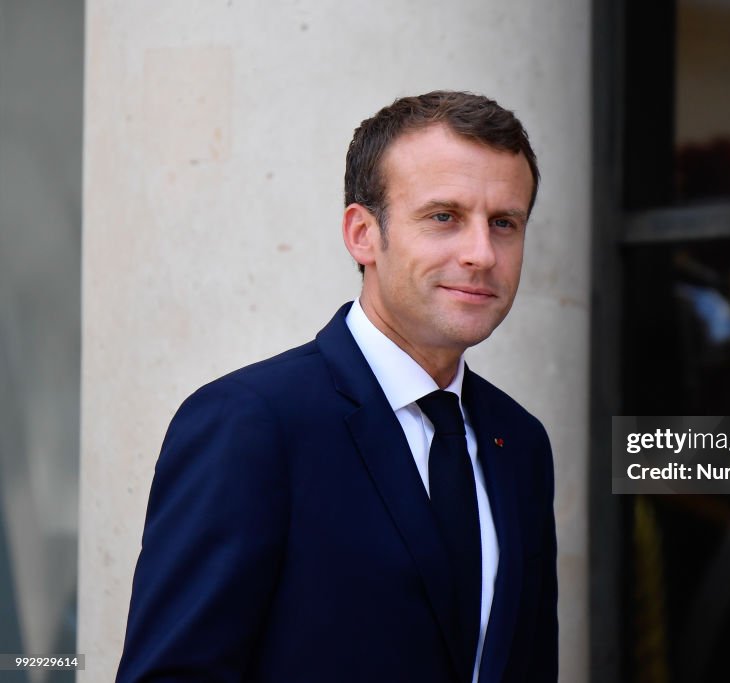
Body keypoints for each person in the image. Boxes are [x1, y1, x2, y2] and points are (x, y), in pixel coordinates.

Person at [116, 91, 557, 683]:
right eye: (443, 217)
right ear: (362, 234)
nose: (481, 253)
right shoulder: (250, 423)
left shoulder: (520, 442)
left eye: (504, 223)